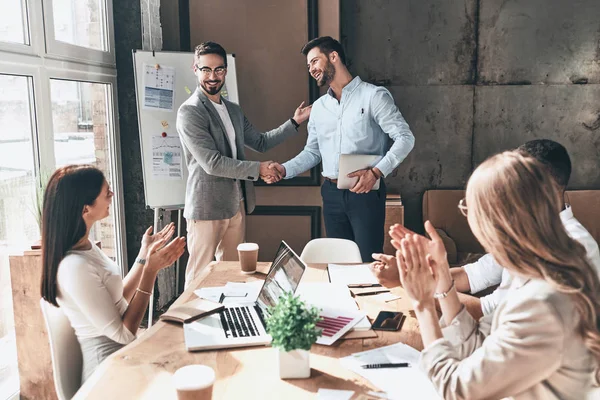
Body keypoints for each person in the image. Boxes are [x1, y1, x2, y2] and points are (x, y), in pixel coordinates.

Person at [396, 152, 600, 399]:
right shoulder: (529, 270)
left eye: (468, 208)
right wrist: (440, 276)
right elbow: (478, 342)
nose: (468, 216)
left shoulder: (543, 302)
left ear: (499, 220)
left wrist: (424, 304)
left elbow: (457, 389)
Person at [373, 139, 600, 319]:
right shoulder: (529, 230)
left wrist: (412, 285)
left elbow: (490, 313)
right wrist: (412, 273)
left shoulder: (572, 250)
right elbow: (473, 275)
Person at [266, 36, 414, 262]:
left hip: (365, 194)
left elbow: (405, 138)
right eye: (308, 66)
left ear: (333, 56)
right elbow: (312, 152)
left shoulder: (374, 96)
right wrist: (284, 169)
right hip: (331, 194)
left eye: (315, 61)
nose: (311, 69)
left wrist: (376, 172)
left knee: (367, 264)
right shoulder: (319, 108)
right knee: (339, 265)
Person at [177, 41, 311, 288]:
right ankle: (188, 324)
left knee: (232, 276)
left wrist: (294, 122)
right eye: (206, 69)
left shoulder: (233, 110)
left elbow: (260, 142)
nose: (212, 76)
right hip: (206, 209)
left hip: (235, 204)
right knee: (199, 279)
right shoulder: (191, 112)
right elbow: (212, 163)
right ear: (195, 69)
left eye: (218, 69)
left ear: (226, 71)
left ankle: (227, 322)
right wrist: (258, 170)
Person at [40, 165, 186, 382]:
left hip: (123, 359)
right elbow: (124, 334)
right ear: (85, 209)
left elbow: (118, 298)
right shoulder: (74, 267)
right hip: (106, 374)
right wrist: (150, 272)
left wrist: (144, 255)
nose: (112, 195)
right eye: (106, 192)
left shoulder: (86, 246)